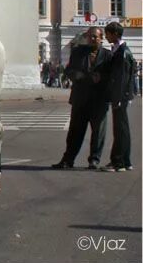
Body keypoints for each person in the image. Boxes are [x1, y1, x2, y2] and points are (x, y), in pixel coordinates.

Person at [51, 27, 110, 170]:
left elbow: (112, 75)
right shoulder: (78, 52)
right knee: (75, 132)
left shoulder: (108, 55)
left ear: (101, 38)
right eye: (90, 36)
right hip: (80, 99)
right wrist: (77, 75)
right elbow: (69, 70)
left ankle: (94, 160)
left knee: (98, 133)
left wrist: (102, 78)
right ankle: (68, 160)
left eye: (95, 37)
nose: (92, 39)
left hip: (99, 100)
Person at [101, 22, 136, 172]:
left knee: (120, 129)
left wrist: (118, 98)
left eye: (107, 33)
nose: (105, 36)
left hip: (120, 96)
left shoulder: (122, 52)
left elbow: (121, 77)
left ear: (115, 34)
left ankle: (118, 162)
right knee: (123, 128)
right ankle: (125, 161)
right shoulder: (119, 50)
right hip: (122, 95)